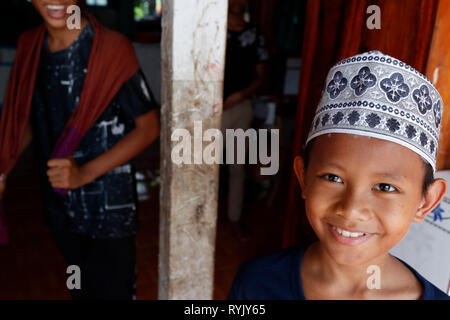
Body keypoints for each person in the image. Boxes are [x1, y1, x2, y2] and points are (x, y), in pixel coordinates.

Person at [227, 51, 450, 300]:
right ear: (303, 177)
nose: (352, 209)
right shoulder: (256, 284)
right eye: (333, 178)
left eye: (385, 187)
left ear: (426, 201)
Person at [0, 0, 159, 299]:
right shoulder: (30, 47)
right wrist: (3, 163)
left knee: (115, 293)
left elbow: (149, 128)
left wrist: (84, 173)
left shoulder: (111, 48)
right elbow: (31, 120)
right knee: (79, 286)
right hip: (61, 207)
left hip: (110, 213)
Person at [222, 0, 269, 240]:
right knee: (201, 166)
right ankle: (199, 219)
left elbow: (261, 77)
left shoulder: (254, 34)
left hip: (240, 107)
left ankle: (234, 219)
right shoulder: (212, 30)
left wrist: (240, 95)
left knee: (237, 166)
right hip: (210, 107)